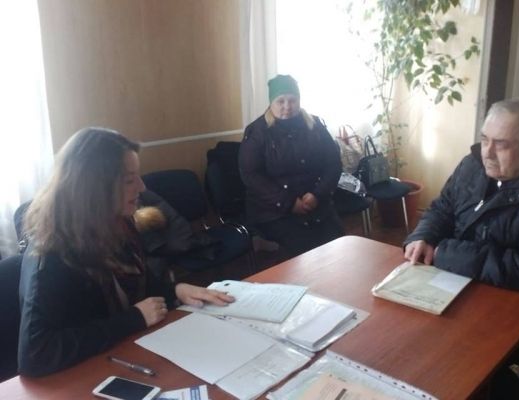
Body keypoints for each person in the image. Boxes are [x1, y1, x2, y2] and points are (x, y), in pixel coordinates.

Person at [404, 99, 519, 400]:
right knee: (411, 330)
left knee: (455, 350)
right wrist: (424, 236)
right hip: (465, 284)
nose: (487, 152)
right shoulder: (472, 165)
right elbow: (442, 208)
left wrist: (445, 253)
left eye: (501, 144)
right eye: (484, 139)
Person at [18, 127, 235, 377]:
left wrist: (175, 290)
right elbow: (36, 355)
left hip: (119, 351)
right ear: (94, 189)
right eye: (129, 180)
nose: (141, 187)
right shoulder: (51, 256)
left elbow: (141, 285)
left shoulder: (118, 223)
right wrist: (133, 319)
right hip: (79, 374)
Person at [239, 74, 344, 258]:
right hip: (273, 211)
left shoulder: (315, 125)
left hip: (315, 203)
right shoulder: (257, 132)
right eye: (280, 101)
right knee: (305, 252)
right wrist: (289, 203)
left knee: (338, 248)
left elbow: (333, 164)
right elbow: (251, 176)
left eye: (292, 100)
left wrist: (318, 194)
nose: (287, 106)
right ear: (271, 103)